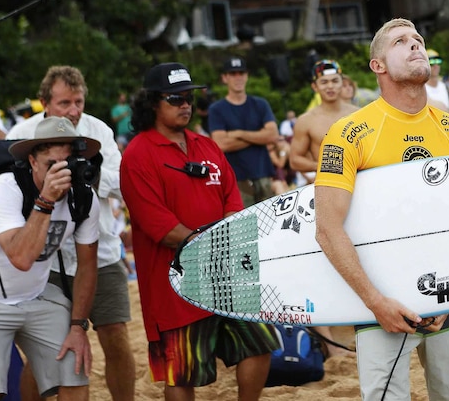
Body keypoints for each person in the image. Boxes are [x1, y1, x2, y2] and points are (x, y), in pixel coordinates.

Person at [314, 18, 449, 400]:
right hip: (380, 303)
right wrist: (375, 301)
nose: (415, 45)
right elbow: (327, 228)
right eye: (401, 41)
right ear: (378, 66)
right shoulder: (348, 133)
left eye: (418, 39)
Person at [120, 62, 278, 399]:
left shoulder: (206, 145)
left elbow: (232, 199)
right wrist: (210, 244)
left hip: (226, 272)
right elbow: (156, 224)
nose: (185, 105)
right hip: (173, 280)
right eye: (175, 98)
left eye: (189, 97)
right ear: (152, 103)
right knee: (181, 373)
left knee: (260, 344)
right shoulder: (138, 154)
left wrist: (229, 237)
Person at [8, 66, 135, 401]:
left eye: (79, 102)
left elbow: (122, 183)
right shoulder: (21, 135)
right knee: (44, 351)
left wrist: (87, 178)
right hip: (45, 258)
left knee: (116, 336)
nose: (74, 111)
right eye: (64, 103)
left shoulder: (98, 131)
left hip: (101, 249)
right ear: (44, 102)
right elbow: (8, 191)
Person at [0, 116, 101, 400]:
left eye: (67, 163)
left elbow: (88, 266)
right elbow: (21, 258)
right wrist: (45, 200)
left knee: (75, 373)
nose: (61, 173)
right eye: (50, 165)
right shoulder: (3, 188)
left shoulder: (83, 198)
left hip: (38, 296)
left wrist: (78, 326)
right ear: (31, 161)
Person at [289, 59, 359, 358]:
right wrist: (330, 169)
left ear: (342, 83)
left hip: (359, 195)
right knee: (322, 261)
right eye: (324, 82)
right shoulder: (307, 120)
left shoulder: (360, 115)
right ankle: (330, 344)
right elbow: (294, 159)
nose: (330, 87)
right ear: (315, 87)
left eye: (334, 81)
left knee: (361, 255)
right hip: (324, 195)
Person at [209, 56, 280, 207]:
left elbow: (273, 135)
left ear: (247, 76)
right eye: (233, 74)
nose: (238, 78)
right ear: (224, 77)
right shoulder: (217, 109)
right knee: (244, 224)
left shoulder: (260, 104)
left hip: (263, 173)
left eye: (241, 73)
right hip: (235, 177)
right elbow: (221, 143)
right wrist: (259, 135)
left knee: (269, 222)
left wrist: (238, 133)